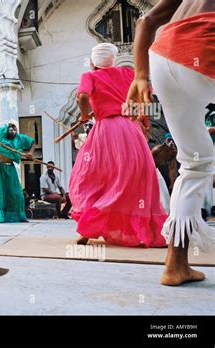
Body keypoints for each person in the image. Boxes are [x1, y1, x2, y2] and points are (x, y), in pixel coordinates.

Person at [127, 0, 215, 285]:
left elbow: (147, 21)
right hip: (204, 46)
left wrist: (140, 75)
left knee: (195, 162)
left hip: (164, 59)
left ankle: (176, 264)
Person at [69, 43, 167, 248]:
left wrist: (85, 114)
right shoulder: (128, 74)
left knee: (91, 177)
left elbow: (83, 96)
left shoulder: (90, 76)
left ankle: (89, 229)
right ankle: (141, 232)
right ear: (112, 59)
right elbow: (146, 96)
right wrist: (143, 120)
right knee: (132, 179)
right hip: (132, 130)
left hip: (106, 130)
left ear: (93, 61)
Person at [0, 121, 35, 223]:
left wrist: (30, 153)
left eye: (14, 130)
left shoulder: (20, 138)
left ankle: (18, 216)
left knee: (16, 193)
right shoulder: (1, 132)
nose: (12, 132)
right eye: (10, 130)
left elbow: (32, 142)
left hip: (10, 168)